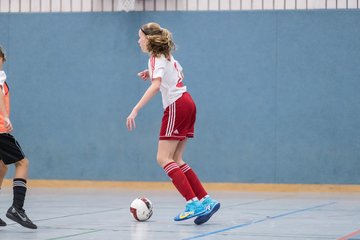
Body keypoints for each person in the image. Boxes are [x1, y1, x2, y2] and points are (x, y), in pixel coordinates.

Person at [126, 22, 220, 225]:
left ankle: (192, 203)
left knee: (162, 158)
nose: (138, 40)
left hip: (176, 106)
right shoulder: (167, 56)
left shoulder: (155, 57)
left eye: (140, 37)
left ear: (149, 39)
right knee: (176, 158)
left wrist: (135, 109)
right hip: (188, 102)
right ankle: (206, 199)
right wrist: (151, 72)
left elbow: (157, 86)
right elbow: (179, 74)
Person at [0, 46, 37, 229]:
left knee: (1, 167)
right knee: (23, 163)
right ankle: (17, 208)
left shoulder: (2, 77)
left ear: (3, 59)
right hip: (0, 131)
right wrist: (6, 116)